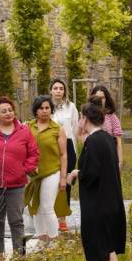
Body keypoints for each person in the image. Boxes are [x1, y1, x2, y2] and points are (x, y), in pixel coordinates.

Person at [68, 103, 126, 261]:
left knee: (99, 250)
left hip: (97, 204)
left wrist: (76, 173)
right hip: (111, 201)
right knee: (109, 249)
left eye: (80, 117)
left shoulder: (93, 142)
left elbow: (91, 173)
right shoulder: (107, 138)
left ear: (85, 118)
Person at [0, 97, 40, 261]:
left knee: (16, 220)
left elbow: (34, 153)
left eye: (10, 110)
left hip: (17, 184)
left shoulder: (24, 131)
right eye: (4, 111)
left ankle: (20, 255)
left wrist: (24, 170)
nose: (8, 113)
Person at [23, 96, 70, 243]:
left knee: (47, 207)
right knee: (35, 208)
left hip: (52, 172)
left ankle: (54, 242)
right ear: (35, 111)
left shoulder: (58, 129)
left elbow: (63, 155)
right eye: (41, 108)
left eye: (47, 108)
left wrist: (63, 178)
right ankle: (43, 241)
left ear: (51, 109)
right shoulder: (27, 127)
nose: (44, 111)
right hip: (33, 174)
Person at [50, 79, 79, 233]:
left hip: (68, 147)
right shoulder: (46, 107)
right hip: (51, 147)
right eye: (55, 88)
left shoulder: (71, 107)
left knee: (65, 183)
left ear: (65, 91)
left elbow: (75, 129)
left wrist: (74, 150)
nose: (58, 91)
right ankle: (50, 217)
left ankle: (62, 218)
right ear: (51, 91)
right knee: (50, 182)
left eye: (61, 88)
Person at [83, 85, 123, 168]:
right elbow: (82, 136)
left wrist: (120, 161)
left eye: (102, 98)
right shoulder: (87, 117)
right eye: (97, 98)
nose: (100, 100)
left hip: (109, 157)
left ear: (106, 99)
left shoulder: (112, 118)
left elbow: (118, 141)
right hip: (92, 157)